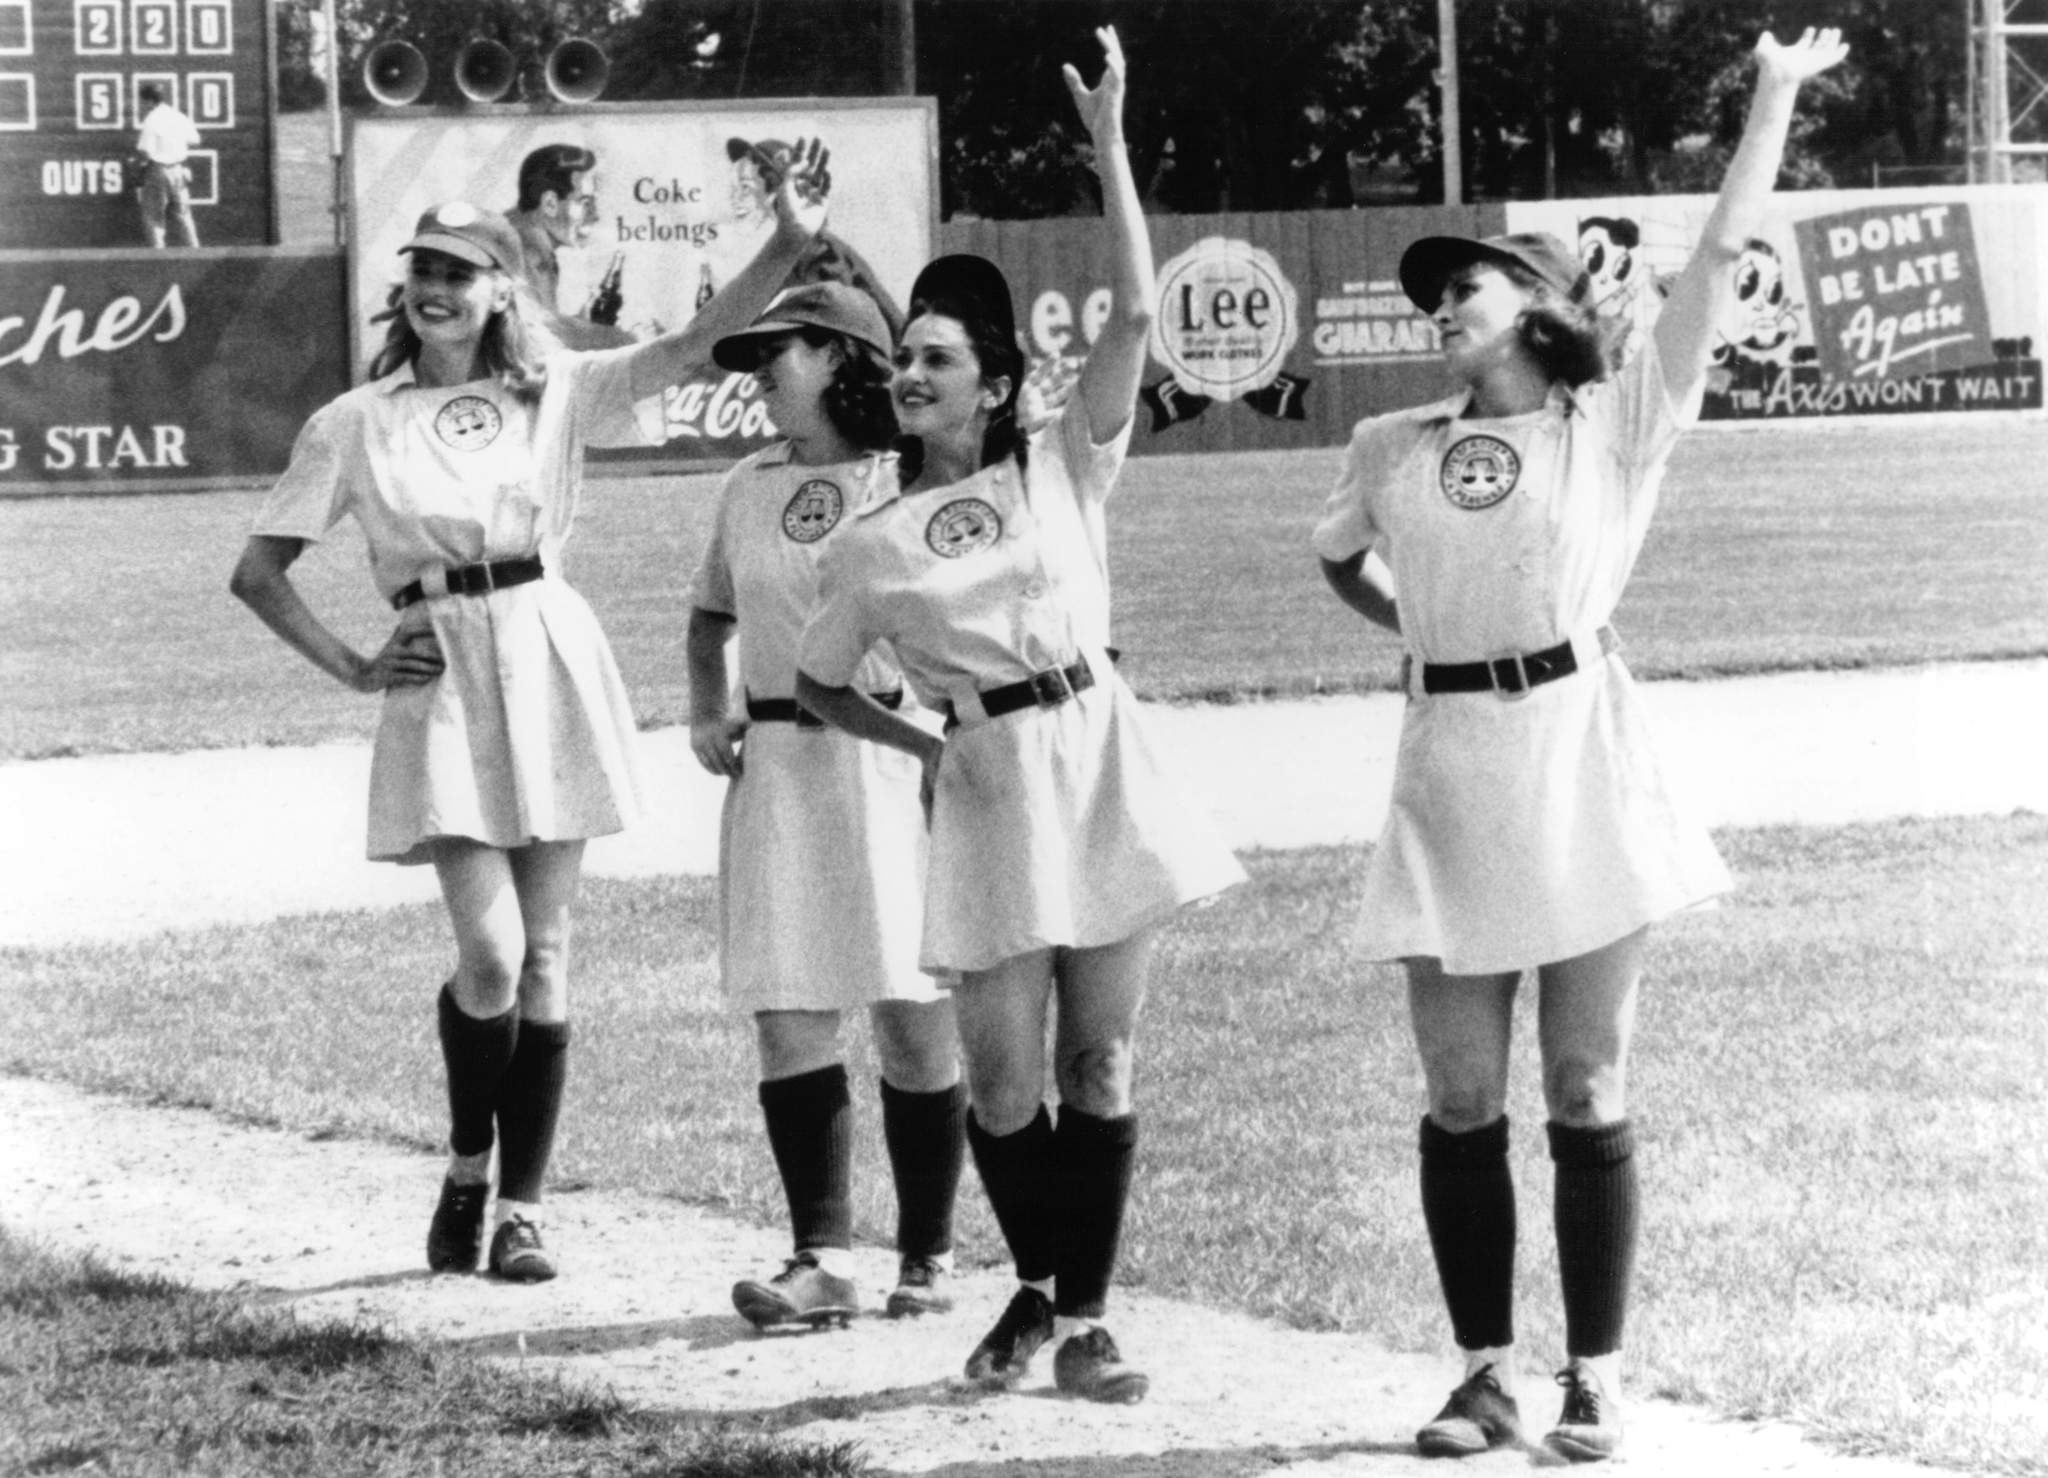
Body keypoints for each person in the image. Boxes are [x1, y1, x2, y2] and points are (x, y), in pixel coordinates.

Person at [1311, 29, 1847, 1464]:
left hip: (1579, 753)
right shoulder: (1393, 446)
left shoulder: (1617, 420)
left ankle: (1593, 1375)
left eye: (1462, 284)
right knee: (1461, 1095)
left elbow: (1725, 244)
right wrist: (1423, 635)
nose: (1438, 305)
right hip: (1446, 766)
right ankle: (1482, 1372)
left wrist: (1776, 96)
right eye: (1430, 292)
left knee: (1585, 1085)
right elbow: (1342, 561)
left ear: (1535, 303)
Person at [228, 142, 835, 1285]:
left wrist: (791, 242)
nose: (437, 288)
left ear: (503, 286)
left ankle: (520, 1208)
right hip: (442, 668)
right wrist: (358, 665)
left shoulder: (552, 383)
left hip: (546, 646)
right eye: (424, 269)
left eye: (462, 270)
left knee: (549, 953)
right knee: (492, 955)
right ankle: (466, 1159)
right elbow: (258, 571)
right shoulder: (355, 418)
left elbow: (694, 346)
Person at [794, 28, 1243, 1403]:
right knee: (1002, 1083)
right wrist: (922, 742)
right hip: (984, 771)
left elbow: (1135, 313)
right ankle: (1040, 1283)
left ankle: (1079, 1313)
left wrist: (1109, 141)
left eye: (939, 354)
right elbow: (820, 680)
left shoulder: (1063, 462)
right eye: (905, 356)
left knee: (1100, 1053)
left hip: (1100, 754)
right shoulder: (872, 539)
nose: (912, 370)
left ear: (992, 378)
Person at [687, 281, 967, 1329]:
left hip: (891, 759)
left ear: (844, 359)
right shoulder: (748, 483)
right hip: (780, 768)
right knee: (788, 1006)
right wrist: (703, 702)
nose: (759, 371)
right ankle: (822, 1255)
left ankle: (928, 1254)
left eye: (782, 350)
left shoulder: (909, 473)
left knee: (912, 1013)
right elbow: (707, 611)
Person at [134, 82, 201, 248]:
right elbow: (195, 140)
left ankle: (157, 261)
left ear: (149, 101)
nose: (142, 105)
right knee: (184, 217)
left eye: (143, 101)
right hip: (178, 169)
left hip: (158, 170)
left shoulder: (151, 120)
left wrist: (138, 165)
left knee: (154, 219)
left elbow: (146, 152)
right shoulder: (178, 116)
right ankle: (196, 255)